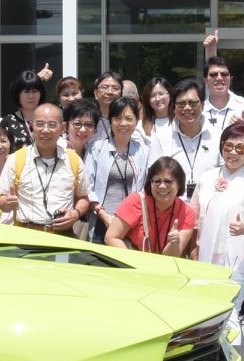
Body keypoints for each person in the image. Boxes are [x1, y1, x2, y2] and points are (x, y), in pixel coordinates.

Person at [191, 123, 244, 335]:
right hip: (205, 260)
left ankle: (237, 353)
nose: (233, 153)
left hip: (237, 261)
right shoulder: (207, 178)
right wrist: (193, 247)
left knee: (230, 314)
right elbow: (194, 217)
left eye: (241, 148)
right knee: (206, 315)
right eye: (228, 146)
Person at [0, 103, 91, 233]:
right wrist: (7, 203)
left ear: (63, 128)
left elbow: (83, 197)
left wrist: (75, 214)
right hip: (26, 234)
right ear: (31, 126)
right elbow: (2, 200)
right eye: (40, 124)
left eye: (52, 125)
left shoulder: (73, 160)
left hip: (63, 235)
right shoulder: (16, 159)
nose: (45, 130)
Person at [83, 96, 147, 242]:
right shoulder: (97, 148)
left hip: (131, 223)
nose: (123, 123)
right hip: (101, 220)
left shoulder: (143, 151)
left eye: (129, 119)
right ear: (110, 121)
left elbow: (145, 188)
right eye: (117, 118)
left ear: (136, 121)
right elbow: (87, 186)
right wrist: (103, 215)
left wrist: (130, 218)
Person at [105, 157, 197, 255]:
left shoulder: (187, 213)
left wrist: (174, 243)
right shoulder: (135, 201)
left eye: (168, 181)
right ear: (150, 183)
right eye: (157, 181)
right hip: (131, 260)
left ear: (179, 184)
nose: (162, 186)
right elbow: (111, 237)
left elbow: (171, 256)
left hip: (164, 263)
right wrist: (135, 261)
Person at [152, 77, 218, 203]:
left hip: (209, 206)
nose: (187, 108)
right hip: (172, 207)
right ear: (174, 107)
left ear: (203, 105)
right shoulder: (161, 137)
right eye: (181, 104)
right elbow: (153, 177)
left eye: (193, 103)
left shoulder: (217, 136)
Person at [200, 56, 244, 132]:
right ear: (205, 80)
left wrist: (243, 129)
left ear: (231, 79)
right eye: (213, 75)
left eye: (224, 74)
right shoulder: (199, 111)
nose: (219, 78)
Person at [2, 70, 46, 152]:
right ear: (17, 94)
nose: (31, 96)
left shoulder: (49, 118)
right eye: (26, 92)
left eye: (35, 91)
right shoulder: (8, 122)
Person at [137, 75, 174, 150]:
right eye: (153, 95)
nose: (157, 99)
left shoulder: (181, 122)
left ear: (169, 95)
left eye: (161, 94)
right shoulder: (140, 127)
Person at [91, 72, 124, 139]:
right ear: (96, 93)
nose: (110, 92)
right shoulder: (88, 118)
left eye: (115, 88)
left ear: (121, 93)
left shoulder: (126, 118)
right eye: (104, 87)